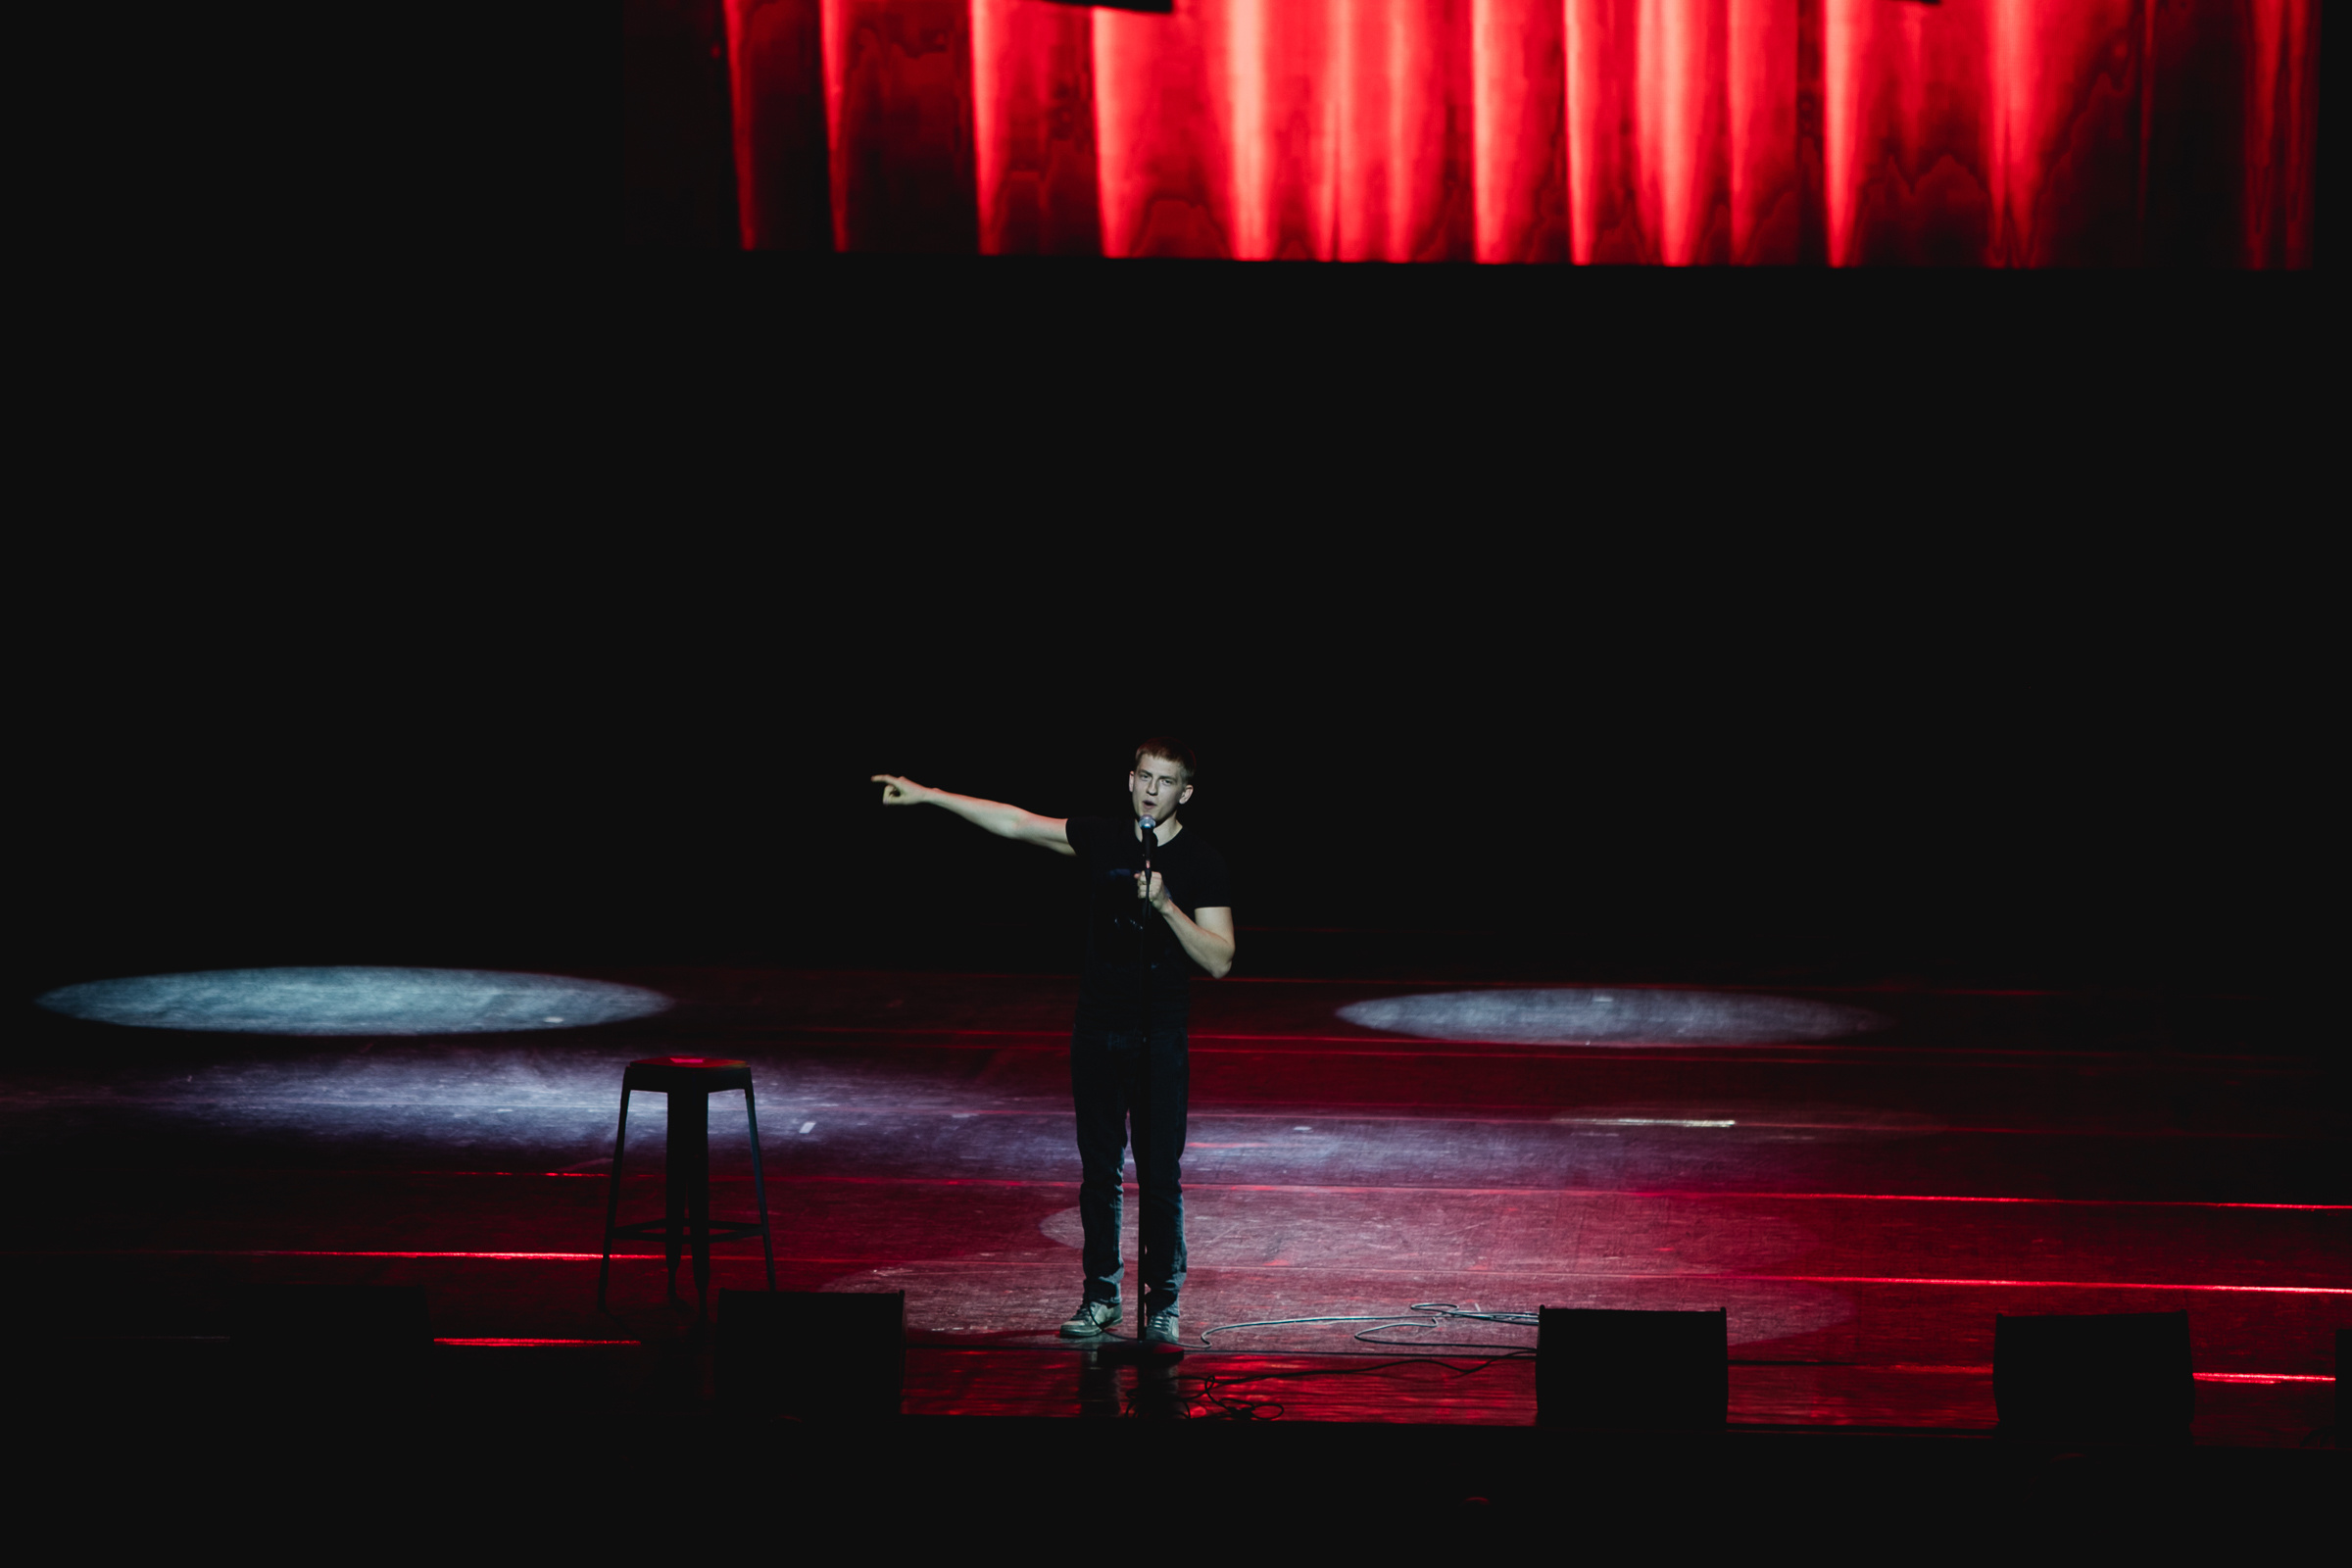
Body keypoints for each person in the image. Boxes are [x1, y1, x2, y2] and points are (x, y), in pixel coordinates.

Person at [870, 739, 1234, 1349]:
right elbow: (1015, 822)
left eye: (1165, 781)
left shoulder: (1202, 860)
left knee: (1160, 1177)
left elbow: (1220, 958)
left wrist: (1167, 906)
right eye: (1143, 777)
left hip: (1160, 1036)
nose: (1151, 789)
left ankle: (1163, 1304)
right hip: (1097, 1029)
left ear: (1185, 792)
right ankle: (1100, 1297)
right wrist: (930, 795)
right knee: (1100, 1173)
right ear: (1130, 780)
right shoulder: (1100, 836)